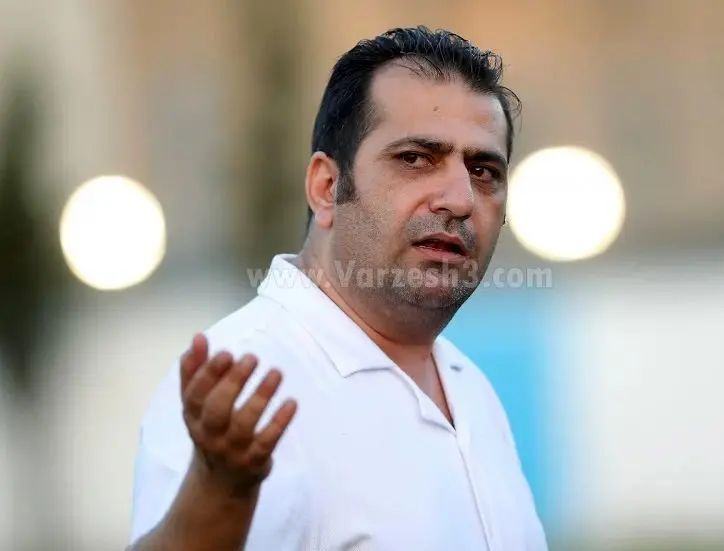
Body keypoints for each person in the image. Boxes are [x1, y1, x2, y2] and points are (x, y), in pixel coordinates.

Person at [128, 26, 548, 551]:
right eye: (416, 159)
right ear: (327, 187)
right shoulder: (241, 387)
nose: (460, 199)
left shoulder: (472, 390)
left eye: (483, 170)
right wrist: (220, 489)